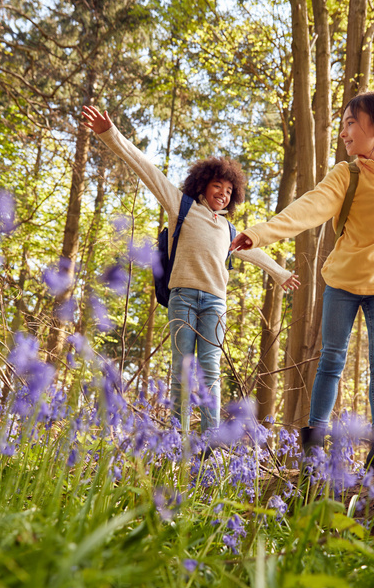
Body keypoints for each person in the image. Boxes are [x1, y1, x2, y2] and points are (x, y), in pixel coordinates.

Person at [231, 91, 374, 474]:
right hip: (343, 283)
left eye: (351, 124)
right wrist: (260, 233)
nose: (344, 134)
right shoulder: (345, 174)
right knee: (332, 360)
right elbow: (307, 208)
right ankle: (314, 447)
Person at [81, 105, 299, 434]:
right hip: (182, 298)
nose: (222, 195)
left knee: (209, 368)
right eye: (217, 187)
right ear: (202, 186)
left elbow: (256, 254)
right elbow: (146, 168)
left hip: (215, 303)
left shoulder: (228, 231)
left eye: (228, 192)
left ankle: (211, 439)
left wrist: (281, 275)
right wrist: (110, 133)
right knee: (182, 368)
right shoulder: (181, 207)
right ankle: (177, 439)